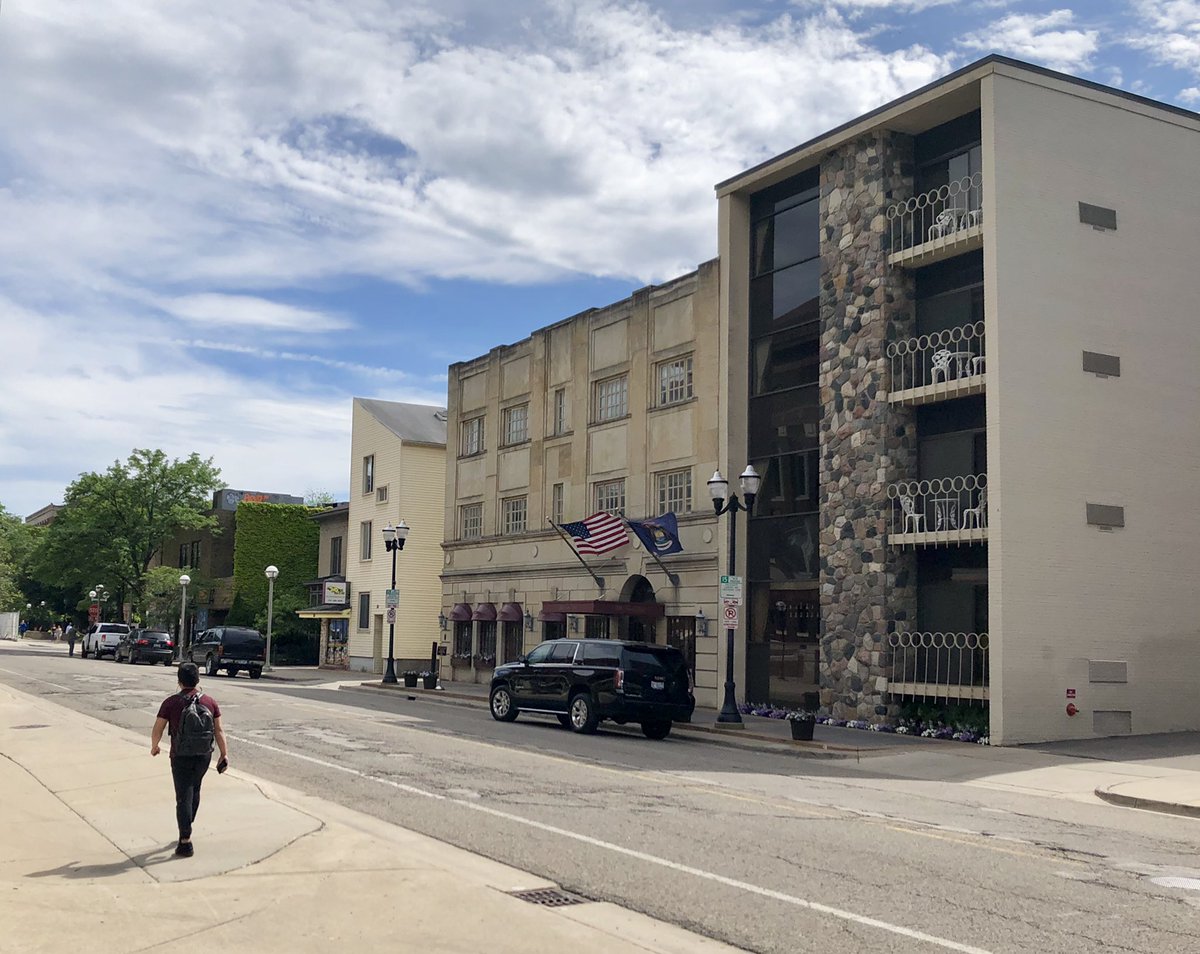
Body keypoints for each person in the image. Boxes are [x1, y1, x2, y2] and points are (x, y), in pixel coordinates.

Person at [150, 662, 228, 857]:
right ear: (198, 680)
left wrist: (155, 746)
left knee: (183, 795)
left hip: (180, 755)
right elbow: (219, 730)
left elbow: (158, 727)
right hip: (203, 755)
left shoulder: (171, 702)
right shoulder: (210, 702)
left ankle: (185, 840)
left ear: (179, 681)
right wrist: (223, 754)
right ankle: (188, 822)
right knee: (195, 789)